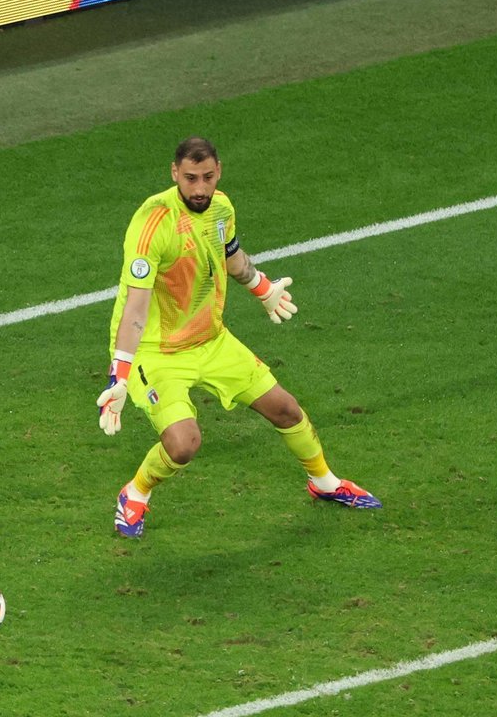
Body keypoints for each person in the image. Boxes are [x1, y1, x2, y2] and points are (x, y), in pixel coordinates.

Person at [98, 136, 381, 538]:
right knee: (183, 444)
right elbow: (136, 308)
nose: (199, 188)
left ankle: (324, 483)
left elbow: (230, 254)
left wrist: (262, 287)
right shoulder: (153, 224)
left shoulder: (221, 207)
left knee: (285, 409)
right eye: (191, 178)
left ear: (219, 172)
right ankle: (135, 492)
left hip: (211, 340)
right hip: (155, 352)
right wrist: (120, 375)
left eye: (208, 177)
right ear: (174, 173)